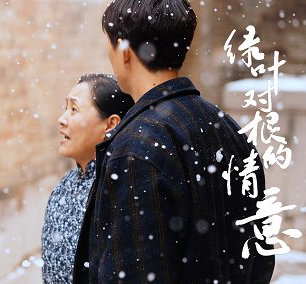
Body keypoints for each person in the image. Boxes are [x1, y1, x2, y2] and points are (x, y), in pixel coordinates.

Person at [73, 0, 275, 283]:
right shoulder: (227, 128)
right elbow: (259, 253)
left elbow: (135, 273)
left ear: (123, 51)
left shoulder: (136, 147)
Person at [41, 74, 134, 284]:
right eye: (65, 108)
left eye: (74, 109)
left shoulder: (122, 191)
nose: (62, 119)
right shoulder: (63, 187)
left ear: (110, 124)